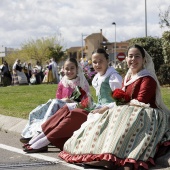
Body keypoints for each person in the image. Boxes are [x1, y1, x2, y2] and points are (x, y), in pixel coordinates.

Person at [59, 45, 170, 170]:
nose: (133, 59)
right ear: (126, 59)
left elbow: (141, 101)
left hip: (146, 113)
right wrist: (108, 108)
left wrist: (118, 107)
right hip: (130, 110)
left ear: (144, 59)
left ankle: (119, 158)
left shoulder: (147, 78)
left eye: (137, 56)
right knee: (106, 119)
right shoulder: (128, 78)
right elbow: (124, 100)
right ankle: (105, 156)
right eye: (130, 56)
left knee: (122, 117)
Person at [22, 48, 122, 153]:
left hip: (108, 111)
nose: (97, 64)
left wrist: (103, 108)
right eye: (94, 62)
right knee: (66, 109)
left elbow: (120, 101)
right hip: (98, 108)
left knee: (74, 114)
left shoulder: (113, 77)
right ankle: (38, 138)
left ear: (107, 60)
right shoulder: (97, 77)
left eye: (100, 61)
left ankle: (42, 142)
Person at [20, 57, 90, 143]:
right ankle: (31, 132)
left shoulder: (80, 82)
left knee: (55, 103)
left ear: (76, 68)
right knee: (38, 110)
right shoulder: (62, 82)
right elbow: (58, 97)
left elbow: (81, 101)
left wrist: (68, 101)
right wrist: (63, 100)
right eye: (67, 69)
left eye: (72, 68)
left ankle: (41, 131)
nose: (69, 71)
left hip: (75, 107)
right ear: (63, 70)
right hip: (61, 106)